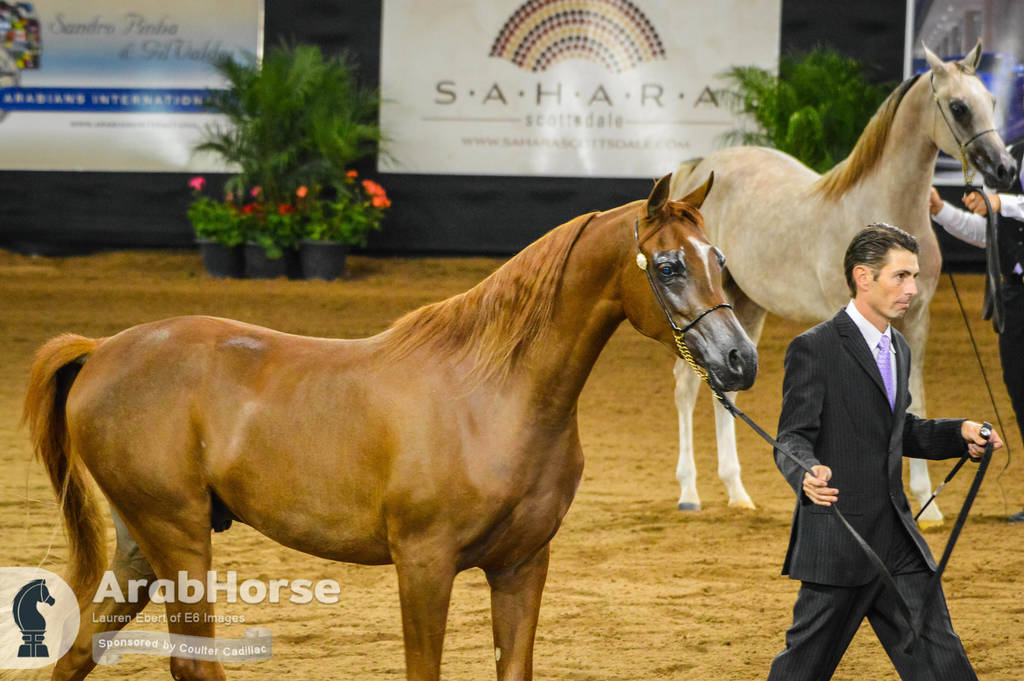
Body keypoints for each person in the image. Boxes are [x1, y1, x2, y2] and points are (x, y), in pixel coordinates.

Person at [766, 223, 1003, 681]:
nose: (912, 289)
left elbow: (898, 431)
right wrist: (807, 473)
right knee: (801, 671)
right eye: (901, 276)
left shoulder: (898, 347)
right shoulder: (814, 348)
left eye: (913, 276)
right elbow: (791, 437)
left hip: (897, 541)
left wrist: (961, 434)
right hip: (840, 541)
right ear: (863, 277)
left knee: (943, 663)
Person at [929, 141, 1024, 523]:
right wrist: (942, 212)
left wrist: (1002, 204)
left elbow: (1001, 210)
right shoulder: (1010, 155)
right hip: (1015, 298)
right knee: (1020, 392)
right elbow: (988, 234)